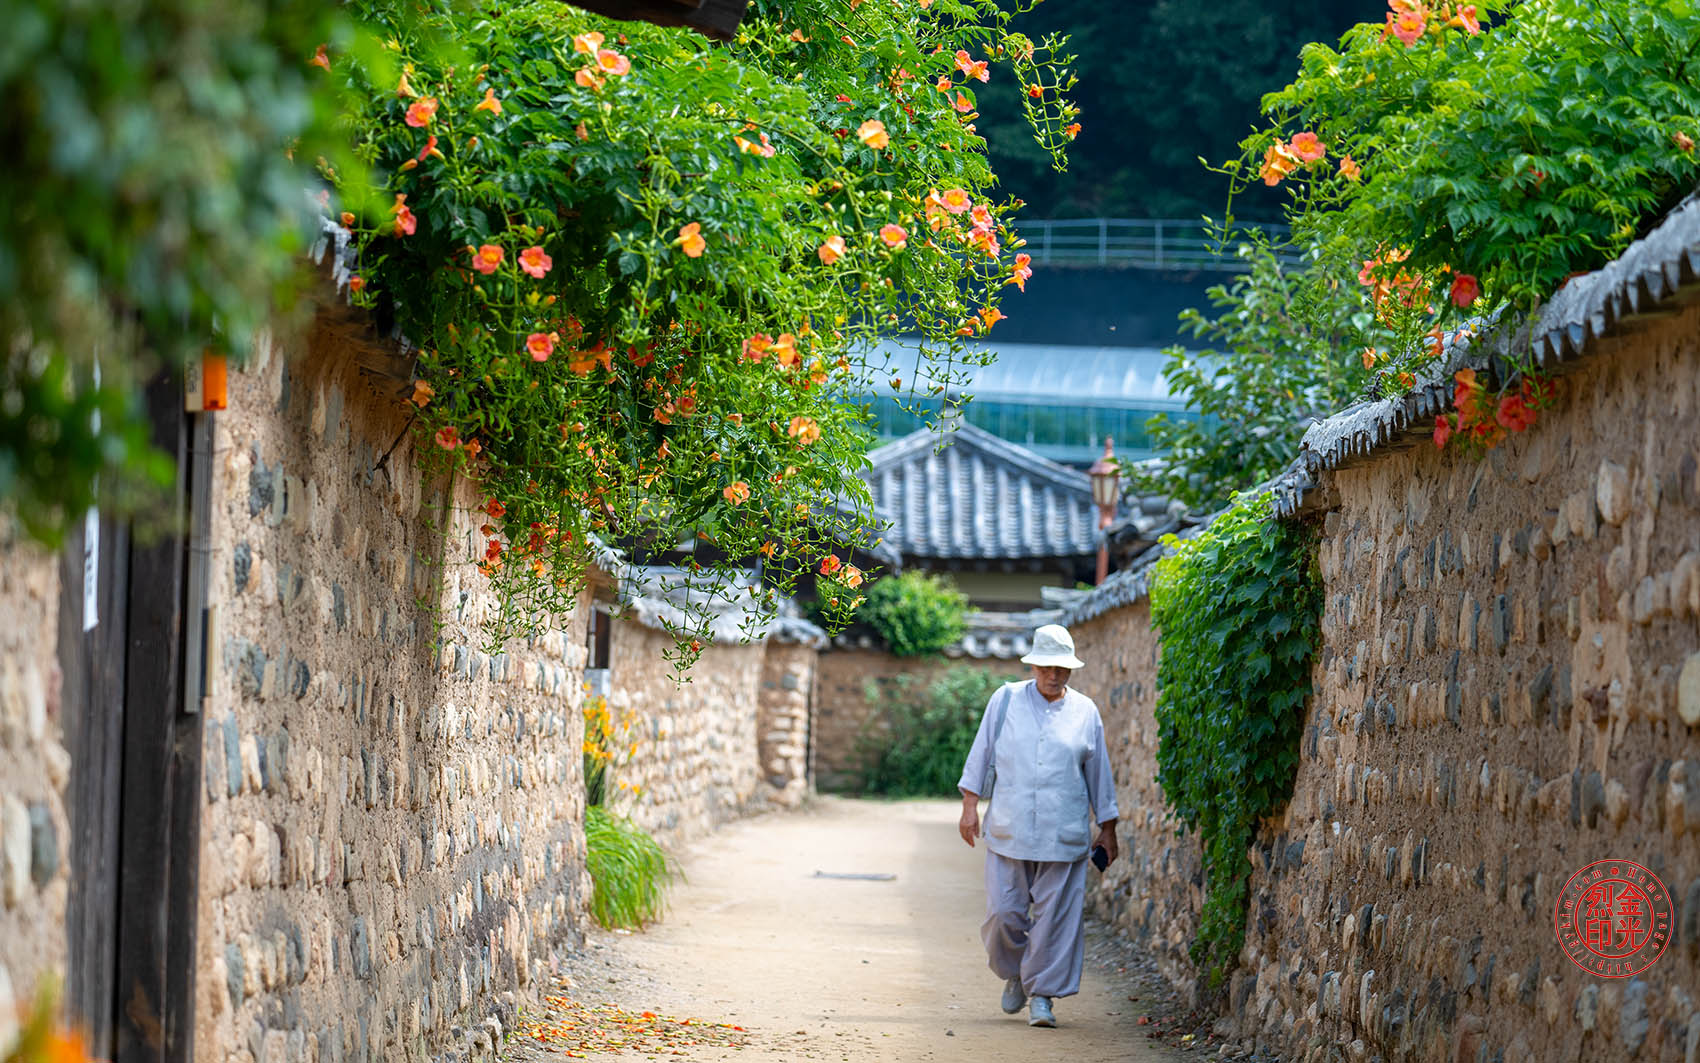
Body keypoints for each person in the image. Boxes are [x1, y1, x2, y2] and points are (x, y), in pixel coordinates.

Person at [955, 623, 1119, 1028]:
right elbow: (982, 751)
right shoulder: (1006, 700)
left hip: (1064, 835)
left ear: (1071, 669)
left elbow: (1100, 774)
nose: (1054, 675)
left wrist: (1109, 827)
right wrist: (969, 804)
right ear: (1033, 665)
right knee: (1002, 917)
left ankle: (1043, 995)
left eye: (1062, 668)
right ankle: (1014, 973)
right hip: (1010, 829)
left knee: (1055, 922)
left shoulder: (1085, 712)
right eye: (1046, 666)